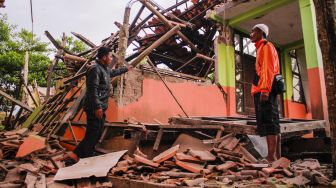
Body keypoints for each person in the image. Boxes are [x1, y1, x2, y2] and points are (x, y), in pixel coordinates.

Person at [65, 47, 132, 164]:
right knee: (93, 133)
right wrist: (97, 107)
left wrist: (126, 69)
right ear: (104, 57)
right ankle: (76, 157)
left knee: (97, 132)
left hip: (100, 107)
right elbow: (92, 90)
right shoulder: (95, 69)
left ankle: (81, 155)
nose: (111, 59)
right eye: (110, 56)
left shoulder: (104, 69)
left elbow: (113, 72)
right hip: (94, 107)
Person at [250, 24, 281, 162]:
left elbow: (268, 70)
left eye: (253, 31)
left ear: (261, 32)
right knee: (273, 123)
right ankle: (276, 157)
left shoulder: (266, 46)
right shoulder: (261, 48)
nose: (251, 34)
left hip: (265, 91)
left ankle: (271, 158)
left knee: (270, 124)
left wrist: (264, 90)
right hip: (264, 90)